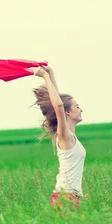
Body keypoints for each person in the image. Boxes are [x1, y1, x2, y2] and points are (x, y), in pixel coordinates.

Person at [32, 66, 86, 208]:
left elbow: (59, 103)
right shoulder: (64, 136)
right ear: (68, 112)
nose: (81, 109)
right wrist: (44, 76)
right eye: (77, 106)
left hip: (69, 197)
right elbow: (59, 106)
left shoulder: (69, 135)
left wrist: (51, 74)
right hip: (64, 197)